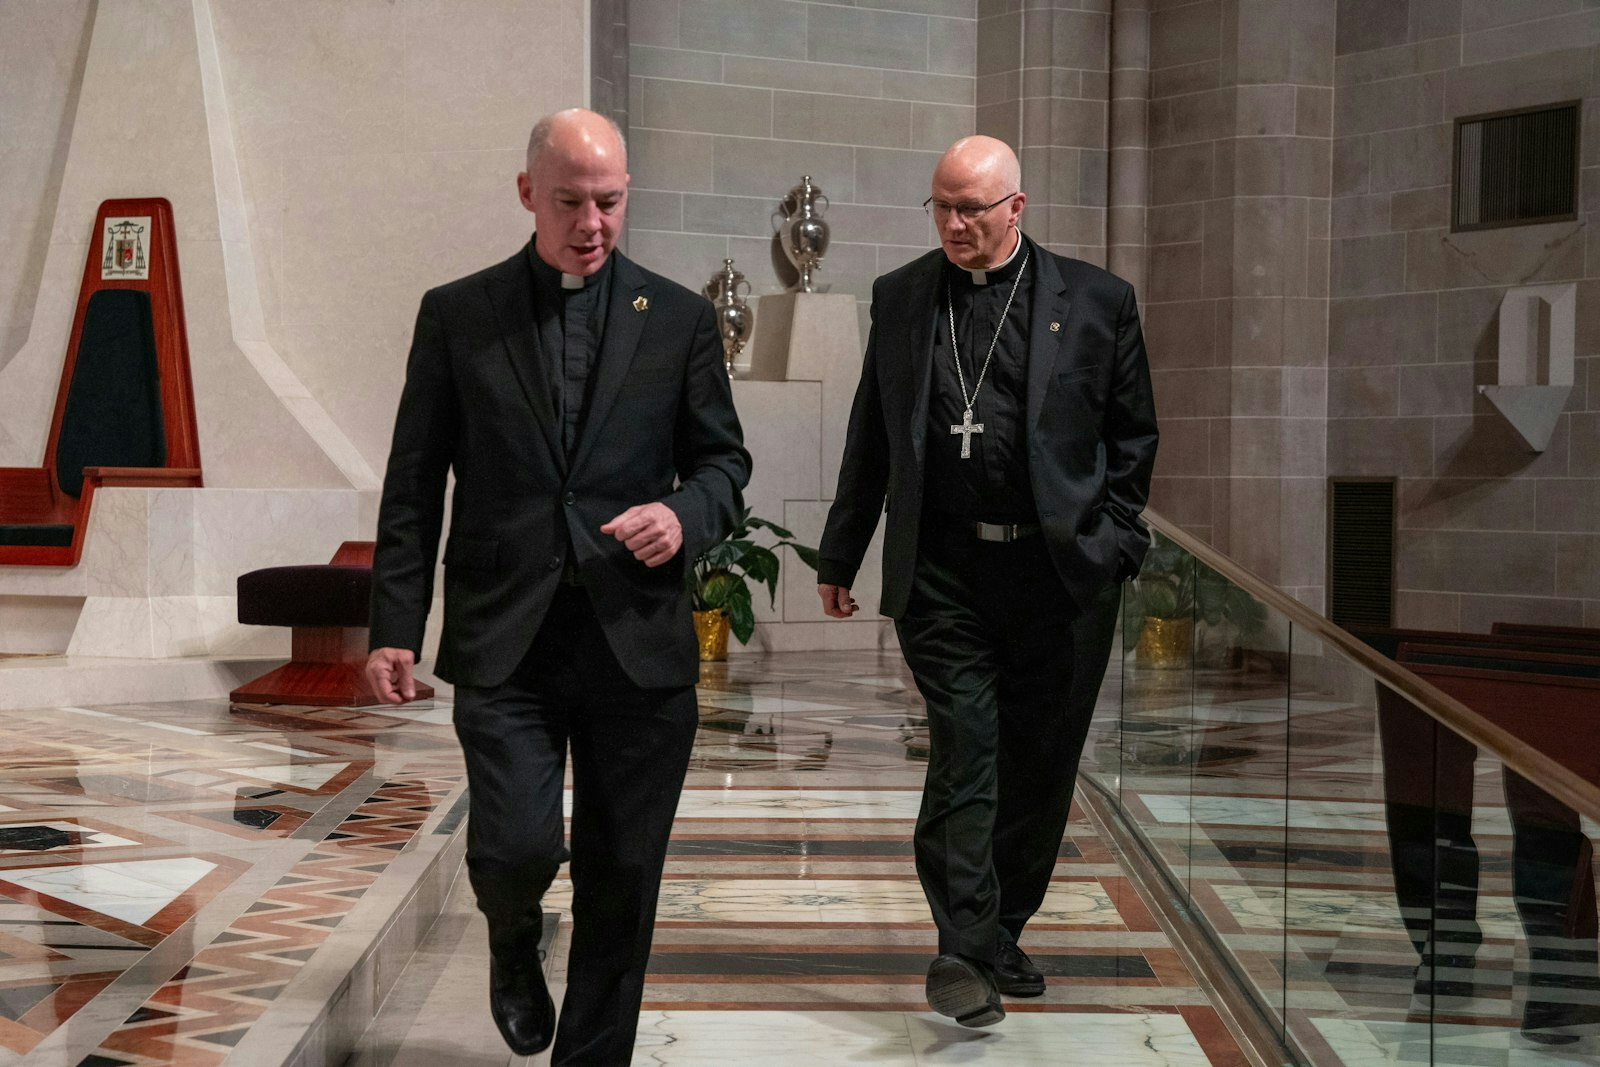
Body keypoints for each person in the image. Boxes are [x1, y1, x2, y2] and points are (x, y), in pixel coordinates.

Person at [365, 108, 749, 1063]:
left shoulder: (683, 319)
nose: (593, 221)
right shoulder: (458, 313)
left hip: (637, 638)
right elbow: (415, 481)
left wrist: (682, 516)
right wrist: (394, 625)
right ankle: (510, 929)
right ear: (528, 192)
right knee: (519, 847)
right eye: (572, 200)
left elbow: (724, 467)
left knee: (625, 876)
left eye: (611, 201)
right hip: (508, 638)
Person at [816, 135, 1157, 1027]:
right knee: (967, 749)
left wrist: (1116, 541)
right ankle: (963, 948)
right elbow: (873, 433)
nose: (956, 224)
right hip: (945, 571)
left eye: (972, 208)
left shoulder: (1097, 301)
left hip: (1059, 576)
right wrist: (841, 554)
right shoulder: (901, 297)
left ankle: (1003, 924)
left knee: (1041, 764)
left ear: (1017, 206)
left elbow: (1133, 436)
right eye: (942, 206)